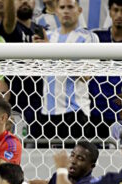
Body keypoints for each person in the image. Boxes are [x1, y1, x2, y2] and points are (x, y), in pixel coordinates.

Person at [33, 0, 99, 141]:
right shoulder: (48, 37)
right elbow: (36, 70)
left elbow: (86, 75)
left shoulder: (89, 37)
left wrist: (53, 51)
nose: (66, 11)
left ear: (79, 11)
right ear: (56, 11)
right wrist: (35, 50)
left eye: (70, 7)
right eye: (62, 7)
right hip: (47, 113)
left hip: (75, 112)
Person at [90, 0, 122, 138]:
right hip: (92, 111)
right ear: (110, 12)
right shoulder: (96, 38)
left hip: (120, 115)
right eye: (115, 10)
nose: (119, 15)